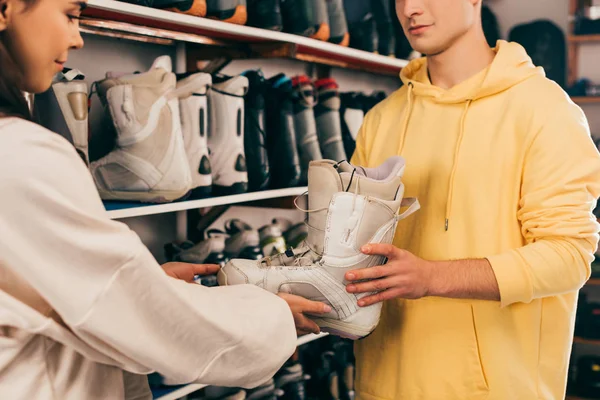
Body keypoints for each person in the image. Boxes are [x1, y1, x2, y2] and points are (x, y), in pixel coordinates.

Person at [0, 0, 331, 398]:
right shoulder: (21, 154)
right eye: (70, 14)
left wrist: (148, 282)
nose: (78, 38)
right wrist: (272, 313)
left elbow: (58, 292)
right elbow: (134, 316)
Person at [346, 0, 600, 399]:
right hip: (381, 384)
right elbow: (356, 247)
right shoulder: (382, 117)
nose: (411, 8)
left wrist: (432, 277)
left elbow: (569, 256)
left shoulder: (545, 110)